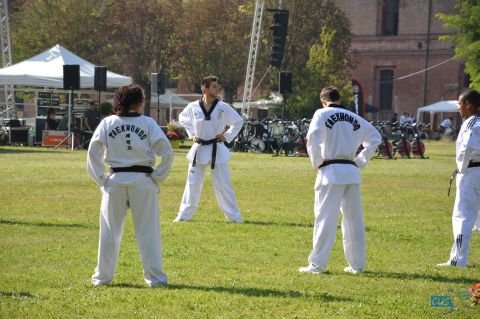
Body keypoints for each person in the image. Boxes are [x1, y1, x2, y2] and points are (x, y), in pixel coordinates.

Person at [87, 84, 174, 287]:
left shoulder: (108, 123)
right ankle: (156, 279)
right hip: (143, 181)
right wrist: (157, 177)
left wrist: (102, 178)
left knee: (109, 231)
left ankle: (102, 278)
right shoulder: (148, 123)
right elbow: (167, 152)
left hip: (115, 181)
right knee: (148, 231)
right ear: (137, 102)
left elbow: (93, 152)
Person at [299, 86, 381, 275]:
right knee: (354, 220)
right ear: (338, 100)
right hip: (351, 172)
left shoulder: (321, 113)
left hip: (330, 170)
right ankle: (357, 265)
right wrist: (359, 161)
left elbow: (312, 137)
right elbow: (375, 137)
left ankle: (317, 264)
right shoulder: (354, 118)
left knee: (325, 218)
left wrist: (317, 163)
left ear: (323, 100)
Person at [173, 75, 243, 223]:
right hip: (199, 148)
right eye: (213, 86)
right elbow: (183, 119)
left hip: (217, 148)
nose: (216, 89)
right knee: (192, 184)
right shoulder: (193, 107)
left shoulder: (223, 107)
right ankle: (184, 216)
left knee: (224, 184)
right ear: (204, 88)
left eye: (217, 86)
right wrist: (191, 134)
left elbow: (238, 121)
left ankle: (234, 217)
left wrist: (227, 136)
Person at [437, 88, 480, 268]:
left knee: (462, 216)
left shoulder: (471, 123)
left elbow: (466, 148)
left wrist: (461, 169)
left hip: (471, 174)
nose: (458, 108)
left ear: (468, 104)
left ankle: (458, 259)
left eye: (460, 104)